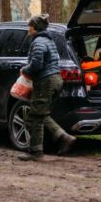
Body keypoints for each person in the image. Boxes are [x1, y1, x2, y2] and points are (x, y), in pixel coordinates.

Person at [18, 15, 76, 161]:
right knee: (41, 114)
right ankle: (64, 137)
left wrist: (25, 70)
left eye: (29, 26)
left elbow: (37, 63)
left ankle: (36, 152)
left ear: (35, 27)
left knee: (35, 117)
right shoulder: (48, 40)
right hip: (54, 80)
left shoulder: (39, 41)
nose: (28, 29)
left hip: (46, 82)